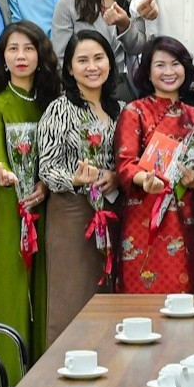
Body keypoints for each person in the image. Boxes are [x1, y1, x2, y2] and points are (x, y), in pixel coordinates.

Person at [37, 30, 121, 339]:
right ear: (70, 69)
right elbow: (46, 167)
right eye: (82, 60)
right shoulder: (60, 109)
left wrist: (115, 176)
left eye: (99, 58)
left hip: (111, 212)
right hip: (72, 213)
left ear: (110, 63)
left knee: (108, 296)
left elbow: (122, 161)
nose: (92, 66)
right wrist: (75, 178)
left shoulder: (120, 110)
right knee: (72, 297)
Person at [0, 22, 58, 370]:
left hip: (48, 205)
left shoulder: (53, 102)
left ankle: (46, 369)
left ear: (40, 54)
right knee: (10, 289)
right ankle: (6, 377)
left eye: (28, 48)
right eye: (12, 49)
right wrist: (2, 171)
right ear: (3, 58)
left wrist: (44, 184)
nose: (21, 56)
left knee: (45, 287)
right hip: (10, 205)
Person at [117, 37, 194, 297]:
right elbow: (125, 164)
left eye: (175, 64)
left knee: (186, 298)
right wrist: (144, 179)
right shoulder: (134, 111)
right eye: (160, 65)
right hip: (143, 219)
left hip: (186, 220)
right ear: (147, 71)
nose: (169, 72)